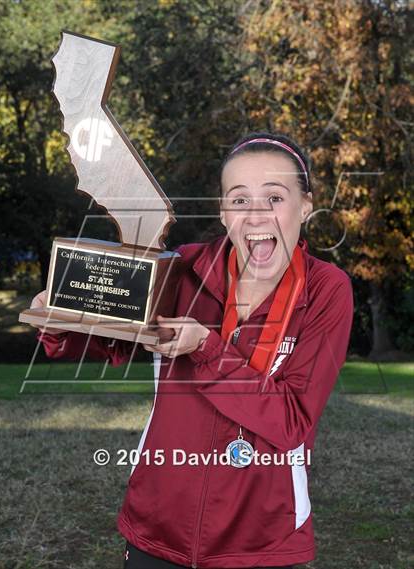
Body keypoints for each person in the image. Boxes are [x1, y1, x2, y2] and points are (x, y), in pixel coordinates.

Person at [32, 131, 354, 568]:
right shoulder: (184, 268)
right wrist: (61, 319)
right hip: (157, 525)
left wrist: (206, 347)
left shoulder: (325, 290)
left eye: (275, 197)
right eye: (239, 200)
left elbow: (291, 422)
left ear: (306, 205)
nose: (256, 215)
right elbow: (112, 342)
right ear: (223, 212)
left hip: (259, 540)